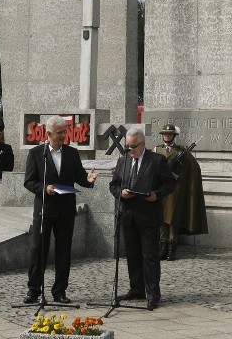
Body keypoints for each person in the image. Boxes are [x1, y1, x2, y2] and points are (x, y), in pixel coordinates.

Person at [23, 116, 98, 304]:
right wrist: (45, 189)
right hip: (44, 209)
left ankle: (60, 291)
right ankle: (34, 291)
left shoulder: (72, 154)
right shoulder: (36, 154)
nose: (64, 135)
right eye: (59, 133)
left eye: (65, 132)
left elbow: (80, 177)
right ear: (48, 134)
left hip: (65, 210)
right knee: (38, 249)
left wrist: (88, 180)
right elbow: (29, 181)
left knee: (64, 251)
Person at [110, 127, 176, 309]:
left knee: (150, 256)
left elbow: (170, 183)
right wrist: (120, 193)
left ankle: (153, 293)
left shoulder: (157, 160)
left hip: (148, 215)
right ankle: (136, 288)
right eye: (127, 146)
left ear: (143, 144)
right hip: (128, 215)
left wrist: (157, 194)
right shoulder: (123, 161)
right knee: (132, 255)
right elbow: (113, 185)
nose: (130, 150)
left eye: (133, 146)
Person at [155, 124, 207, 261]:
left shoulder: (181, 151)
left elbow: (194, 168)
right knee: (161, 218)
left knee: (172, 218)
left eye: (169, 134)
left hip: (174, 189)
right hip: (160, 188)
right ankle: (163, 247)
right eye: (165, 134)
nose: (167, 136)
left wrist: (179, 176)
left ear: (174, 136)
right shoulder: (156, 149)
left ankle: (172, 248)